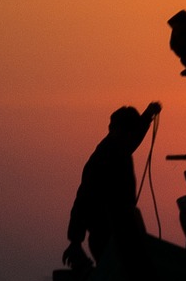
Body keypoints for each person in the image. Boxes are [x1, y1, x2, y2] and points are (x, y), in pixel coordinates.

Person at [63, 102, 161, 268]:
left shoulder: (121, 148)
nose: (132, 138)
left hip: (123, 234)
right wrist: (75, 241)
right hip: (106, 237)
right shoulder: (102, 159)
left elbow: (137, 134)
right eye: (129, 133)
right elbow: (83, 199)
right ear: (117, 130)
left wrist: (148, 114)